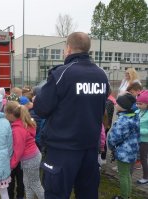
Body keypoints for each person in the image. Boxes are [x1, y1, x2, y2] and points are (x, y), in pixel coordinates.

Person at [33, 32, 109, 199]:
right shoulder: (101, 75)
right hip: (90, 148)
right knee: (87, 193)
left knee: (56, 194)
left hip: (62, 149)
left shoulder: (62, 74)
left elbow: (41, 109)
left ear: (68, 48)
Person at [5, 101, 44, 199]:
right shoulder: (22, 123)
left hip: (30, 159)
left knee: (35, 184)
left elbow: (19, 150)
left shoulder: (17, 130)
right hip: (31, 157)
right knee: (27, 183)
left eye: (5, 113)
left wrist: (12, 165)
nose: (5, 115)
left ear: (11, 114)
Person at [107, 93, 140, 199]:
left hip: (123, 153)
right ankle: (128, 195)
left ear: (124, 107)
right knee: (127, 174)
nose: (115, 104)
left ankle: (124, 196)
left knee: (123, 175)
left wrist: (111, 146)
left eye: (118, 103)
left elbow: (114, 138)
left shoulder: (123, 121)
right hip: (132, 151)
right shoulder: (134, 116)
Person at [135, 90, 148, 185]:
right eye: (137, 103)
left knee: (143, 159)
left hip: (145, 140)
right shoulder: (138, 111)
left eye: (141, 104)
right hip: (137, 139)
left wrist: (139, 131)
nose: (138, 105)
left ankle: (145, 177)